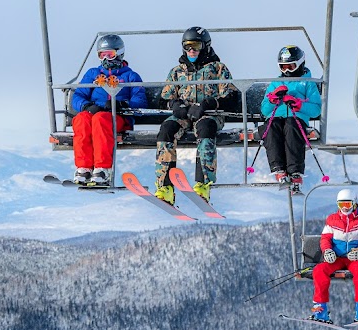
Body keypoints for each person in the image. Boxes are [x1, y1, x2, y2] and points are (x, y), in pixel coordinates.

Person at [154, 26, 236, 205]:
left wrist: (208, 104)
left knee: (205, 128)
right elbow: (163, 99)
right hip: (185, 115)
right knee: (167, 129)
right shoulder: (177, 71)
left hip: (209, 115)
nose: (191, 51)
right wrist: (175, 105)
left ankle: (203, 183)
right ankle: (165, 186)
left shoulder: (218, 69)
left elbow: (231, 98)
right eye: (187, 46)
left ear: (205, 46)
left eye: (196, 46)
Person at [69, 34, 148, 185]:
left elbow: (140, 100)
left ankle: (102, 168)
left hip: (118, 117)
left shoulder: (130, 76)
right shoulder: (93, 74)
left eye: (110, 54)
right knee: (81, 119)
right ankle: (83, 168)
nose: (106, 59)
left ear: (119, 53)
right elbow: (78, 95)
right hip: (95, 113)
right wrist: (86, 106)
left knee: (101, 119)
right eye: (102, 55)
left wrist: (122, 105)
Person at [259, 45, 322, 194]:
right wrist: (273, 100)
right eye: (283, 67)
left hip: (296, 119)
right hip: (276, 118)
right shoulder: (276, 83)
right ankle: (278, 169)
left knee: (291, 126)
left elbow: (316, 109)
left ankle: (295, 173)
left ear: (300, 64)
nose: (287, 71)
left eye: (291, 67)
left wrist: (299, 105)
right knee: (271, 127)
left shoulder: (307, 83)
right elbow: (264, 110)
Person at [310, 188, 358, 323]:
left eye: (347, 204)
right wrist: (327, 251)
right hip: (336, 258)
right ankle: (320, 308)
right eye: (341, 204)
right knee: (319, 270)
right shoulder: (332, 219)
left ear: (354, 203)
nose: (345, 208)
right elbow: (325, 239)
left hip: (353, 258)